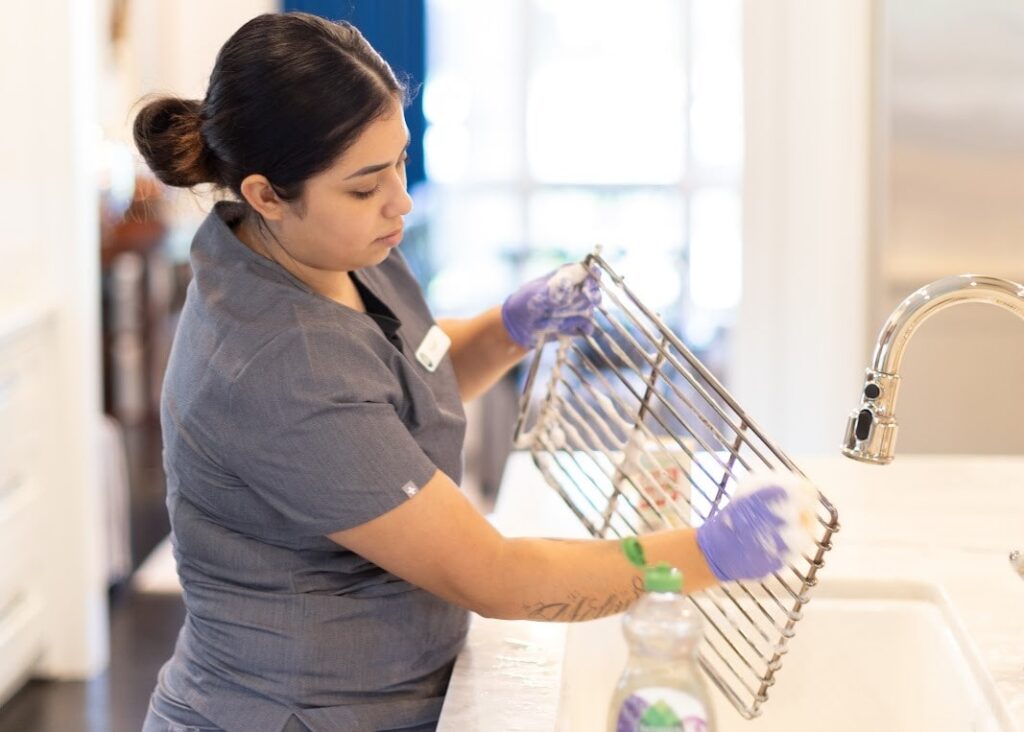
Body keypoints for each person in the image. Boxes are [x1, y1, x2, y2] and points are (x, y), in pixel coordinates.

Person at [134, 13, 804, 732]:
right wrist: (703, 555)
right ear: (267, 194)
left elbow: (390, 378)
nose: (401, 199)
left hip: (397, 691)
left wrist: (507, 329)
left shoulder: (325, 244)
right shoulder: (275, 368)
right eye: (365, 186)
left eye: (400, 159)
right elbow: (497, 575)